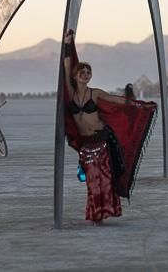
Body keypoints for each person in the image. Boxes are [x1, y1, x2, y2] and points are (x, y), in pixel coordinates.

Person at [63, 30, 156, 224]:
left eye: (88, 72)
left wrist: (140, 105)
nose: (86, 74)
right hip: (85, 146)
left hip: (101, 142)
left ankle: (101, 216)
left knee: (103, 180)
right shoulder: (71, 94)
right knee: (91, 182)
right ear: (76, 75)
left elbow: (116, 100)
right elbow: (65, 66)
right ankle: (96, 213)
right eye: (82, 72)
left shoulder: (94, 94)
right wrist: (68, 44)